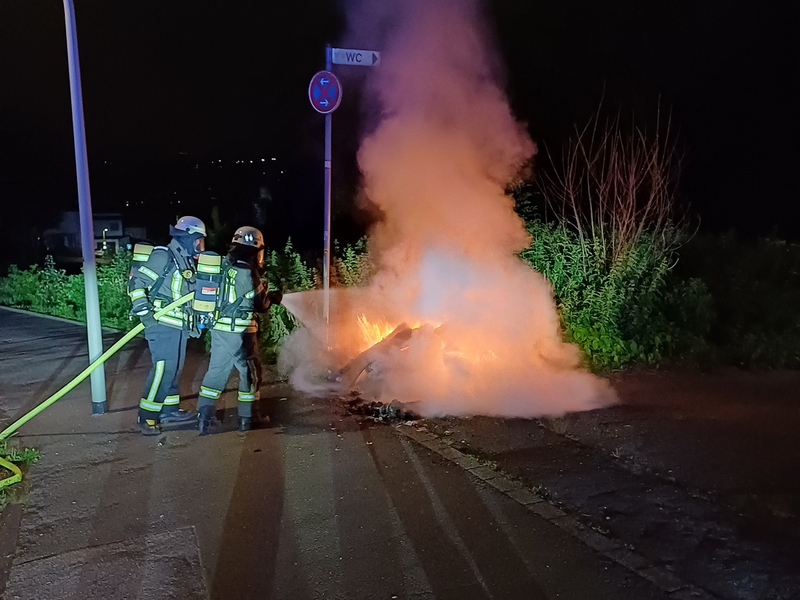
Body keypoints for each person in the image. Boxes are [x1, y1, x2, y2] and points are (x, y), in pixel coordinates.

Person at [196, 226, 282, 434]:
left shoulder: (224, 266)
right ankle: (248, 418)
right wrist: (274, 297)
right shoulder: (248, 272)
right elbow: (260, 305)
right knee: (250, 372)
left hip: (219, 330)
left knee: (216, 372)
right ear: (255, 250)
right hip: (241, 331)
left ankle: (204, 420)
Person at [128, 216, 207, 435]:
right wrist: (146, 315)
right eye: (198, 241)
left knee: (175, 370)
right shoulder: (163, 255)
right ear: (187, 238)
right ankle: (147, 417)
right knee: (163, 369)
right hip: (161, 324)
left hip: (178, 325)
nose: (200, 246)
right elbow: (137, 284)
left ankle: (168, 409)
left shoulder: (185, 261)